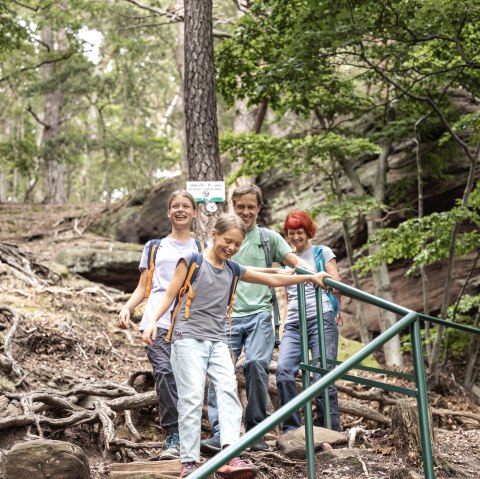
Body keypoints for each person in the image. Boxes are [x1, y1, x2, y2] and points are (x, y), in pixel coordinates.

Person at [142, 212, 331, 478]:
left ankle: (231, 454)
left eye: (236, 245)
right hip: (187, 339)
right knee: (192, 398)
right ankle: (189, 462)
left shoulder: (232, 268)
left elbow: (271, 279)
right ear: (214, 235)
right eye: (227, 241)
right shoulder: (192, 261)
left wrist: (308, 278)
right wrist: (151, 322)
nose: (231, 248)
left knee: (229, 392)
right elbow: (169, 294)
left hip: (217, 340)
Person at [202, 184, 307, 454]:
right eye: (240, 206)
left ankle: (256, 431)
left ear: (259, 208)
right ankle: (220, 432)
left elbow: (293, 260)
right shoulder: (223, 238)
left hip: (260, 314)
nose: (245, 211)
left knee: (257, 366)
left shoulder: (268, 238)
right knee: (219, 373)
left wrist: (314, 273)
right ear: (233, 207)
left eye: (251, 206)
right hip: (226, 315)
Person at [116, 190, 203, 460]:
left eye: (185, 206)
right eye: (175, 206)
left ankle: (194, 434)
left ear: (194, 212)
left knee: (189, 378)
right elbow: (144, 287)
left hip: (189, 322)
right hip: (156, 320)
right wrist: (127, 308)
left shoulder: (201, 248)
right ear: (168, 212)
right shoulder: (155, 247)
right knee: (165, 372)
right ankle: (173, 434)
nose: (180, 210)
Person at [276, 210, 342, 432]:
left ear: (308, 231)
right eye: (291, 233)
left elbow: (337, 285)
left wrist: (325, 281)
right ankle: (292, 430)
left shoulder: (322, 252)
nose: (295, 237)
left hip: (321, 318)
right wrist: (283, 327)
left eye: (299, 232)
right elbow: (288, 298)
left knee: (321, 375)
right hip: (294, 323)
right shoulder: (286, 261)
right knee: (284, 371)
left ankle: (330, 431)